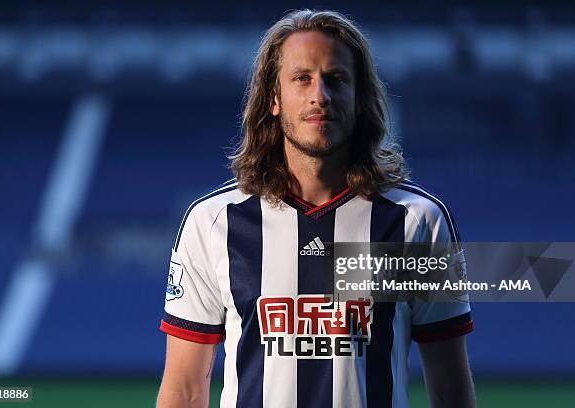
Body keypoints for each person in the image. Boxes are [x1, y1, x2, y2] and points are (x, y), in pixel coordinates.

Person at [156, 9, 474, 408]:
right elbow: (184, 390)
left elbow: (450, 390)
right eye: (302, 78)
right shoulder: (214, 222)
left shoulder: (416, 222)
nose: (319, 95)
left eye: (336, 79)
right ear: (273, 98)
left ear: (360, 99)